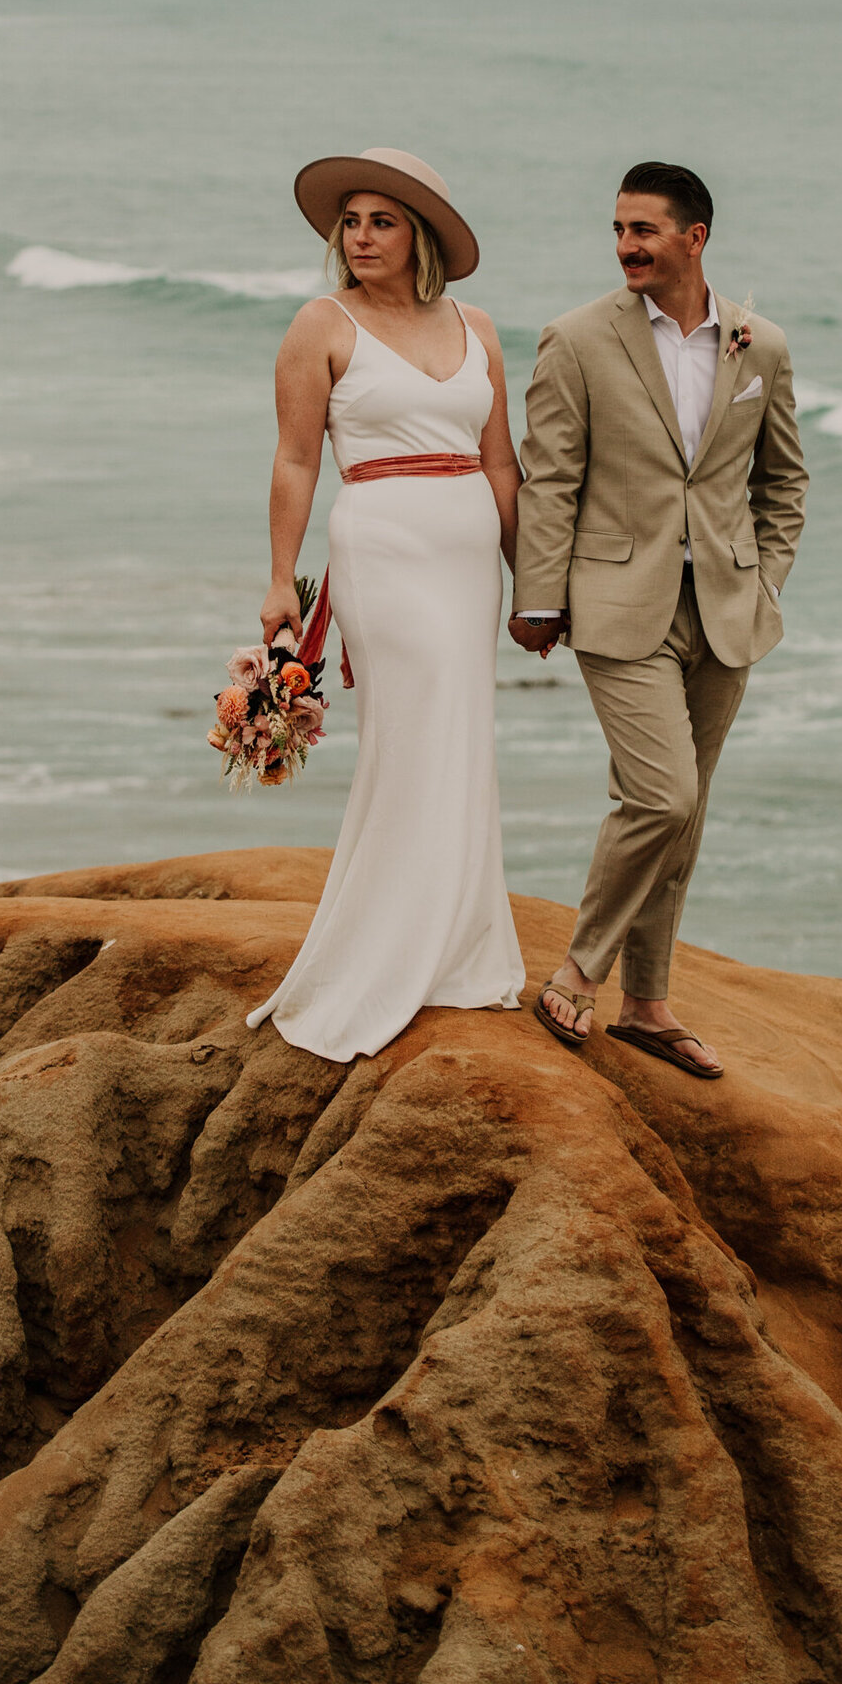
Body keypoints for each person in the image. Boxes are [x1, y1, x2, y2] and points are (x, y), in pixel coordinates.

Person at [508, 162, 808, 1078]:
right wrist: (537, 596)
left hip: (724, 609)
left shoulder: (761, 347)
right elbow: (550, 477)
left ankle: (647, 1004)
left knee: (689, 809)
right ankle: (578, 970)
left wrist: (765, 583)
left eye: (643, 229)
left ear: (695, 238)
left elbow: (783, 482)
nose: (626, 246)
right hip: (615, 601)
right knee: (662, 795)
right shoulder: (576, 339)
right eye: (618, 229)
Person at [245, 147, 526, 1058]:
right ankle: (389, 950)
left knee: (462, 731)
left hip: (468, 550)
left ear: (421, 237)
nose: (361, 237)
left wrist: (536, 583)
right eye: (351, 222)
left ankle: (459, 949)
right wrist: (281, 581)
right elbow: (296, 459)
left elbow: (499, 463)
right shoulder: (320, 324)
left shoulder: (476, 326)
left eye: (382, 222)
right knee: (415, 729)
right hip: (384, 543)